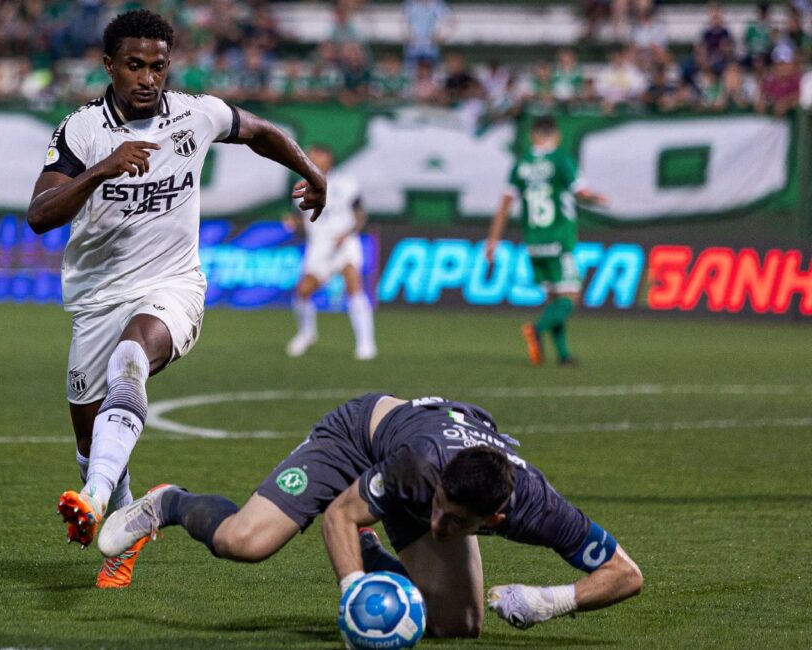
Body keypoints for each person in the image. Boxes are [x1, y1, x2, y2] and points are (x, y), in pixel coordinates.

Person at [25, 9, 327, 588]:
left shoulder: (196, 114)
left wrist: (314, 174)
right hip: (94, 298)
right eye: (134, 66)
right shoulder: (82, 130)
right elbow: (40, 216)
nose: (147, 78)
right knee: (92, 442)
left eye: (157, 66)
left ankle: (93, 498)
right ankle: (123, 523)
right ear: (109, 65)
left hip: (172, 286)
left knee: (131, 358)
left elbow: (260, 132)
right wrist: (102, 170)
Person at [98, 393, 643, 636]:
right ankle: (168, 501)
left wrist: (554, 600)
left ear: (495, 521)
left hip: (413, 475)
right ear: (440, 487)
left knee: (461, 626)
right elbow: (339, 513)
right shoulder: (423, 471)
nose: (439, 526)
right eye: (440, 510)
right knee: (246, 542)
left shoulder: (541, 508)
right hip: (360, 438)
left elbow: (626, 575)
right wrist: (352, 592)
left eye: (455, 524)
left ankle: (373, 549)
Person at [485, 116, 607, 367]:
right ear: (556, 135)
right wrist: (597, 199)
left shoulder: (521, 164)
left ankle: (563, 355)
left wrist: (493, 239)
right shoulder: (562, 159)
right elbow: (581, 193)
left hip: (534, 242)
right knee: (570, 296)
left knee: (554, 297)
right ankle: (537, 329)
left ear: (533, 135)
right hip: (559, 240)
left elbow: (505, 204)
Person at [284, 145, 376, 361]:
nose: (313, 159)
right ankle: (307, 334)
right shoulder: (300, 189)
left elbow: (360, 215)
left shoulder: (346, 183)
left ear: (329, 160)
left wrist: (350, 232)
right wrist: (292, 223)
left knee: (353, 285)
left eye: (318, 156)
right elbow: (301, 221)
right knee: (303, 292)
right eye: (311, 156)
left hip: (344, 242)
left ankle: (366, 343)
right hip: (319, 246)